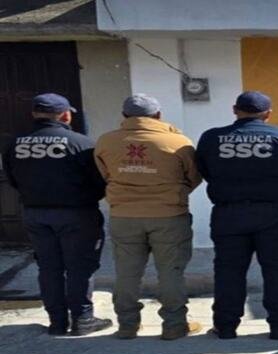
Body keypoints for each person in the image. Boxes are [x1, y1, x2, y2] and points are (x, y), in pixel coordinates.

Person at [195, 92, 278, 340]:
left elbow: (204, 169)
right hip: (276, 212)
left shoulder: (212, 137)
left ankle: (225, 326)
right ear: (268, 113)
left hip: (229, 213)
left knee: (228, 270)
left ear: (235, 110)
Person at [1, 93, 111, 336]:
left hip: (35, 214)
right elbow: (100, 181)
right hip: (77, 214)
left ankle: (57, 322)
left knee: (49, 268)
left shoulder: (14, 143)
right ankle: (83, 319)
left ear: (34, 114)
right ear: (65, 115)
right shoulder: (81, 143)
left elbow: (12, 179)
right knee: (79, 267)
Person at [95, 94, 203, 340]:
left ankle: (127, 326)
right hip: (169, 215)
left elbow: (105, 175)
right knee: (171, 272)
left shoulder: (106, 141)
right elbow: (193, 176)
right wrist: (174, 193)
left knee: (127, 273)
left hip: (124, 216)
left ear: (124, 116)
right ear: (158, 115)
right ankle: (174, 325)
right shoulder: (177, 142)